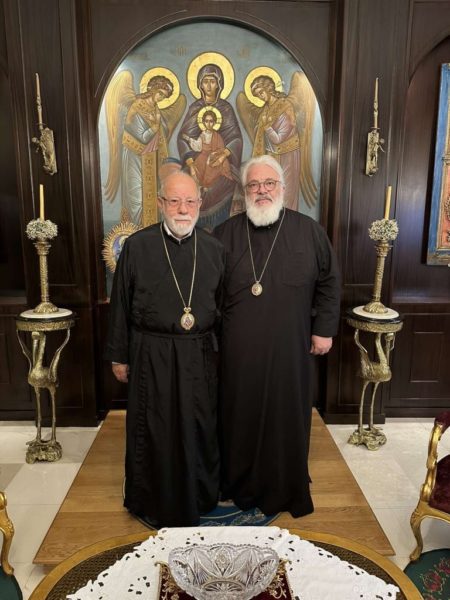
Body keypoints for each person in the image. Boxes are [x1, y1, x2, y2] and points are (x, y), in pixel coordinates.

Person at [213, 155, 340, 518]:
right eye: (254, 184)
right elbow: (208, 292)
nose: (262, 190)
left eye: (269, 183)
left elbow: (329, 282)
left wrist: (323, 330)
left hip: (291, 347)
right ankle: (237, 484)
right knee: (239, 416)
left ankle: (285, 485)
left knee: (286, 416)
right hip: (238, 352)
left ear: (283, 188)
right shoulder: (224, 235)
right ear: (244, 191)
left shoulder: (309, 231)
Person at [105, 171, 225, 527]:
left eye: (189, 201)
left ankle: (199, 493)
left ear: (200, 204)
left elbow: (221, 307)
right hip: (151, 352)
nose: (182, 209)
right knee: (154, 425)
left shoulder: (214, 249)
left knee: (199, 424)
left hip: (199, 353)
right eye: (174, 201)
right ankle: (150, 495)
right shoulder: (137, 246)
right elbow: (120, 304)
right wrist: (119, 355)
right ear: (160, 203)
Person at [177, 63, 242, 228]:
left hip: (221, 159)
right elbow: (183, 138)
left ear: (219, 84)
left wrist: (224, 154)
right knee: (186, 182)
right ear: (200, 84)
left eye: (212, 81)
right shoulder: (195, 108)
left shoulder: (226, 109)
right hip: (196, 159)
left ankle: (221, 227)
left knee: (225, 183)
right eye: (205, 81)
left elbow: (236, 138)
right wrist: (191, 164)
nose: (209, 86)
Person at [182, 109, 233, 191]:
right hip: (202, 156)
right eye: (206, 121)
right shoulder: (202, 135)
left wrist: (214, 154)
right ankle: (200, 186)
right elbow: (198, 147)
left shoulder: (217, 136)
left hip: (214, 157)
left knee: (216, 164)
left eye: (211, 121)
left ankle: (208, 185)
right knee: (196, 169)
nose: (208, 124)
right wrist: (189, 139)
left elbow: (221, 148)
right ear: (203, 122)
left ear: (214, 123)